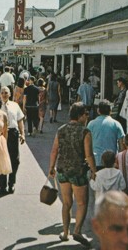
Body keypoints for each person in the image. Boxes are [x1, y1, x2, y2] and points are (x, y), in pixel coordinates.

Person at [48, 102, 91, 246]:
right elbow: (89, 154)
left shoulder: (61, 130)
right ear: (79, 116)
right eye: (85, 114)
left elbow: (54, 150)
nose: (87, 116)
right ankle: (77, 230)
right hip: (78, 171)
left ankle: (65, 232)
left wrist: (51, 167)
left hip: (62, 170)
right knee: (82, 203)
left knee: (66, 203)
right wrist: (94, 170)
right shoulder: (85, 131)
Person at [86, 100, 125, 172]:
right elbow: (122, 146)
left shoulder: (91, 124)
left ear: (98, 111)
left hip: (96, 161)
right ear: (110, 111)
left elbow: (87, 143)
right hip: (111, 161)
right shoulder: (116, 124)